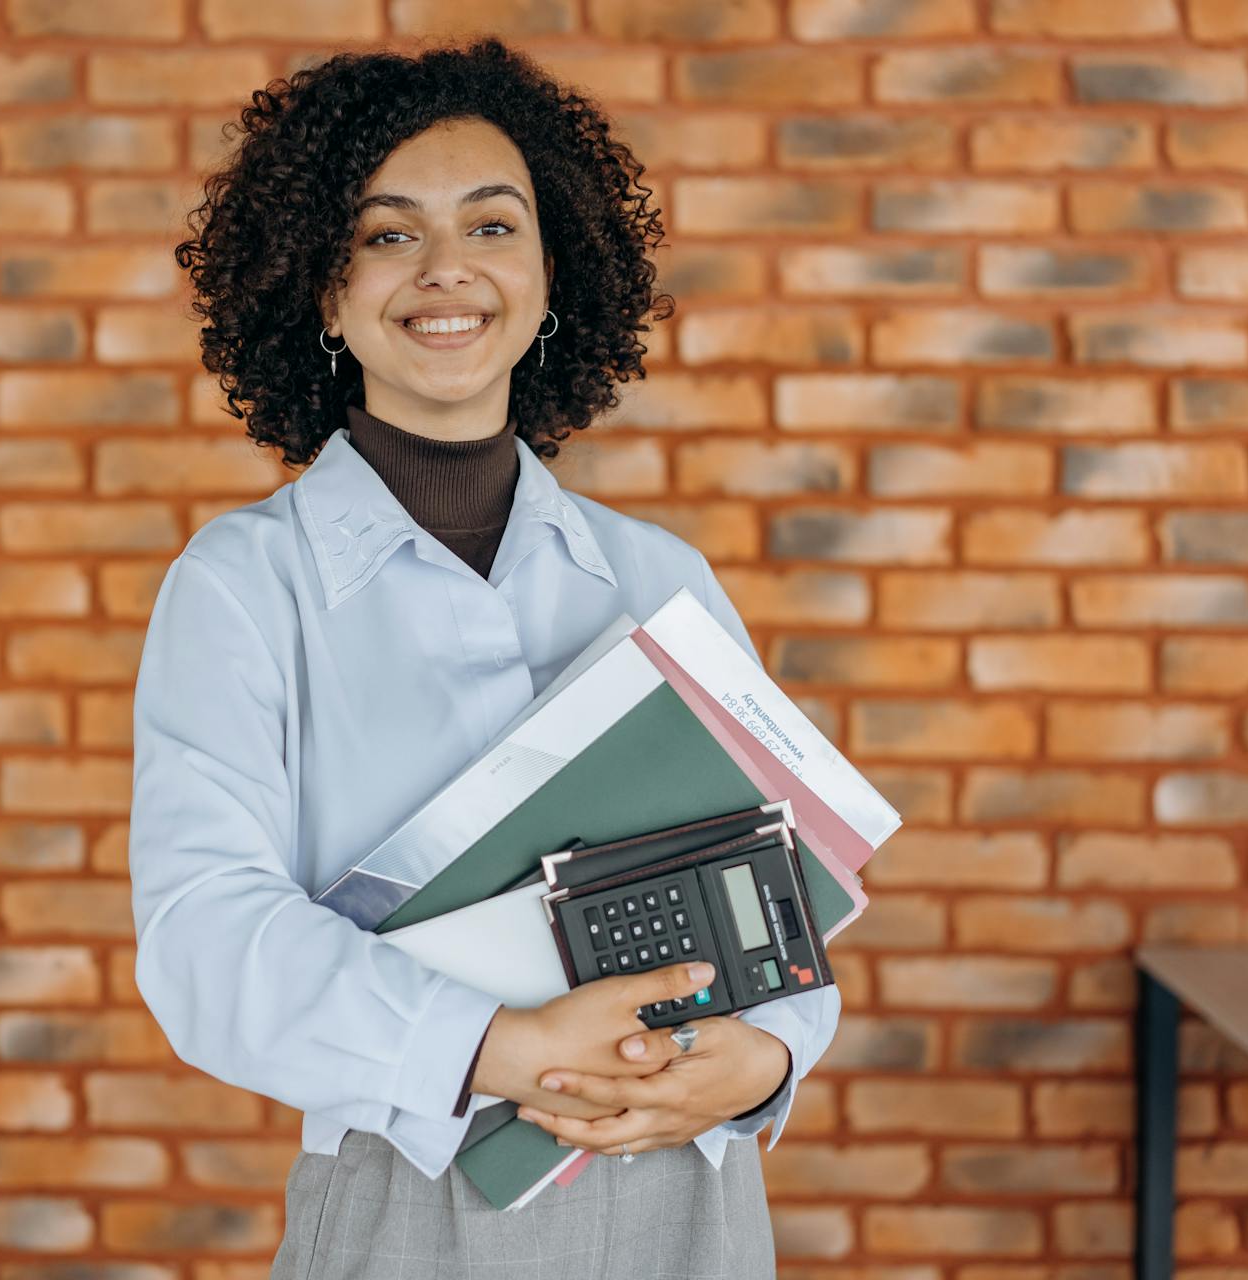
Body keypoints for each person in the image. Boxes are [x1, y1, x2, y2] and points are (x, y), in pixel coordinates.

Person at [133, 36, 841, 1280]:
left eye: (492, 225)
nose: (446, 269)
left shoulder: (656, 575)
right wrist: (501, 1045)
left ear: (552, 270)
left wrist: (769, 1055)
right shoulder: (244, 588)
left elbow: (785, 884)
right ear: (322, 289)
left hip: (692, 1199)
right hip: (419, 1199)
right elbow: (207, 942)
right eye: (389, 233)